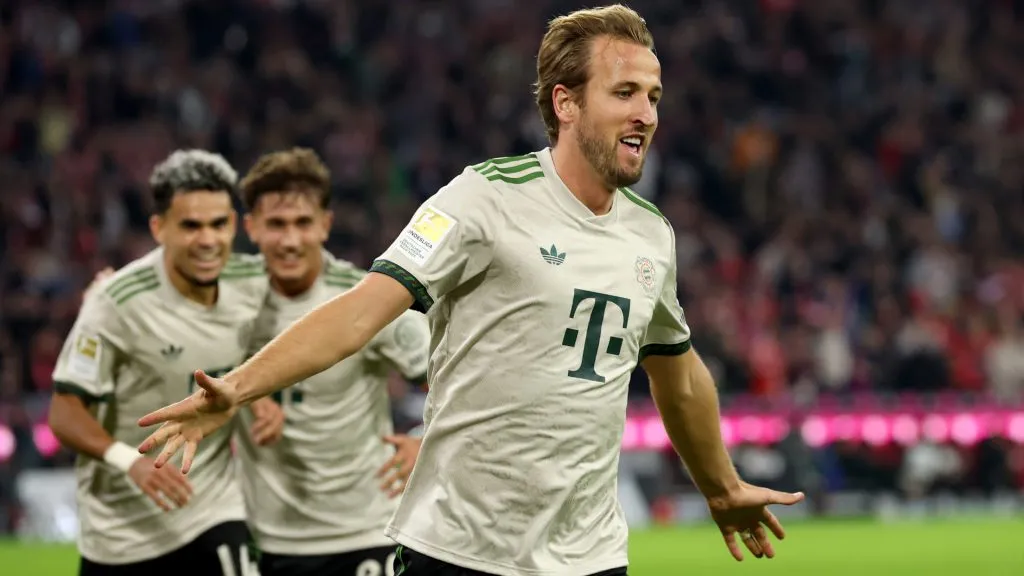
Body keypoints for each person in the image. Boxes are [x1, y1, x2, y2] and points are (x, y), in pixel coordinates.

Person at [137, 5, 805, 575]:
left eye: (654, 96)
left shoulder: (651, 234)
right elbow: (361, 312)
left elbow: (676, 370)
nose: (646, 114)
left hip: (589, 556)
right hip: (461, 551)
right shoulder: (482, 197)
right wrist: (237, 390)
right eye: (624, 92)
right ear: (565, 103)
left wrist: (720, 489)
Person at [48, 149, 285, 576]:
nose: (208, 240)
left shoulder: (254, 283)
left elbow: (285, 347)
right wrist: (131, 462)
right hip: (121, 532)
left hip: (214, 508)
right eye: (191, 226)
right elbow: (64, 414)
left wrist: (262, 395)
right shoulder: (116, 302)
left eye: (218, 224)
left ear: (233, 224)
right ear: (159, 228)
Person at [233, 148, 431, 576]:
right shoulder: (229, 300)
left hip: (362, 535)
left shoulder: (365, 302)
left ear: (325, 224)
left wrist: (425, 439)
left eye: (303, 223)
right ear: (251, 227)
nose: (290, 240)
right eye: (276, 224)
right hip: (267, 540)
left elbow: (458, 375)